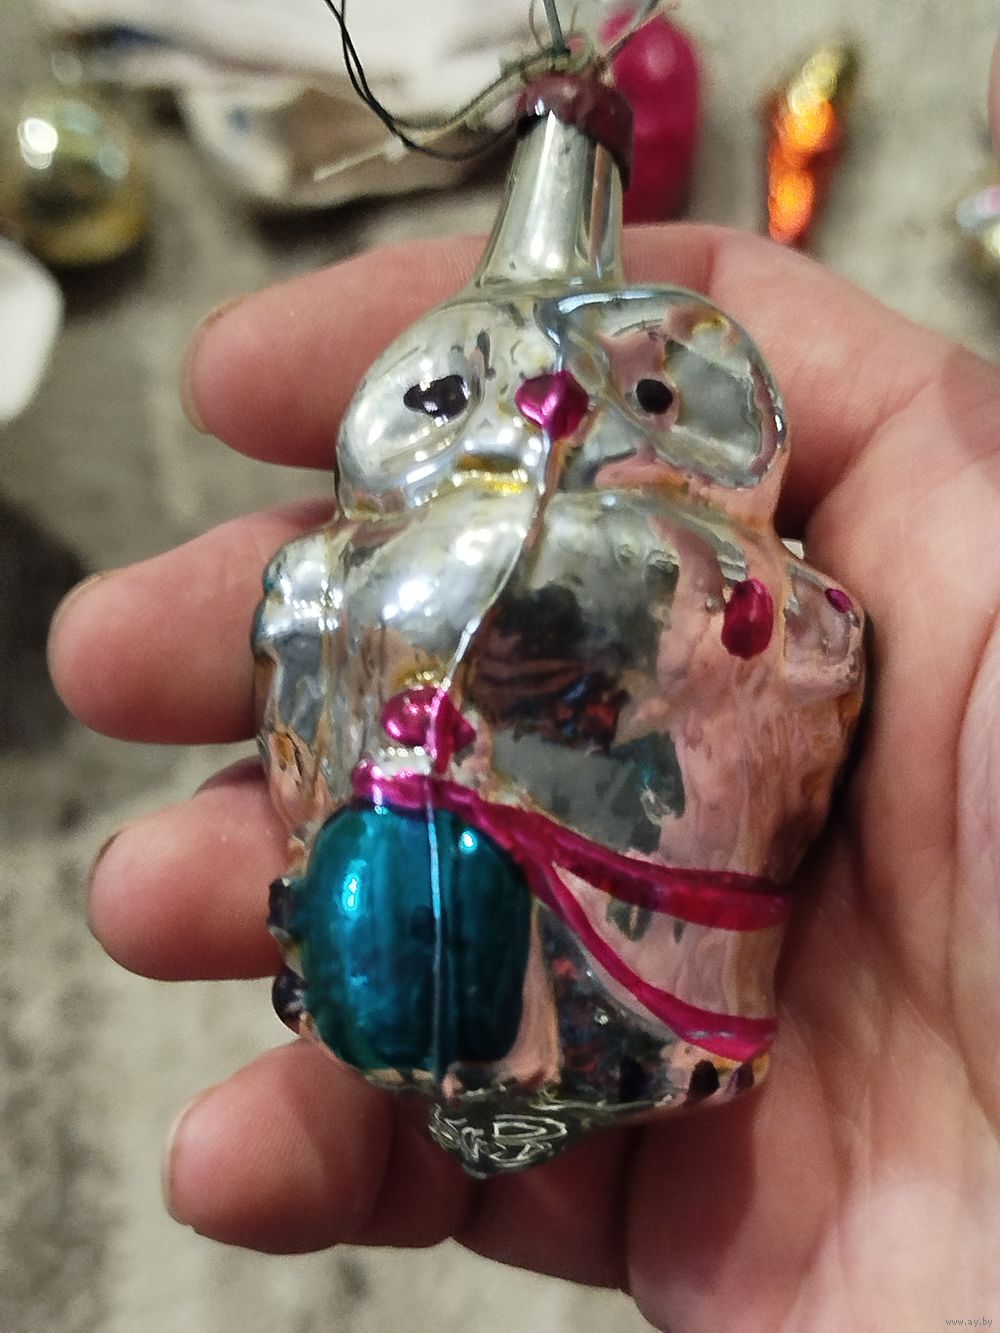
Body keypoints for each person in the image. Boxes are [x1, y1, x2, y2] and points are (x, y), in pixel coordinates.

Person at [47, 65, 1000, 1333]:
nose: (547, 409)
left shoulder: (768, 590)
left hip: (676, 974)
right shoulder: (336, 570)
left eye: (644, 393)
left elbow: (790, 770)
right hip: (406, 927)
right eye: (451, 393)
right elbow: (301, 756)